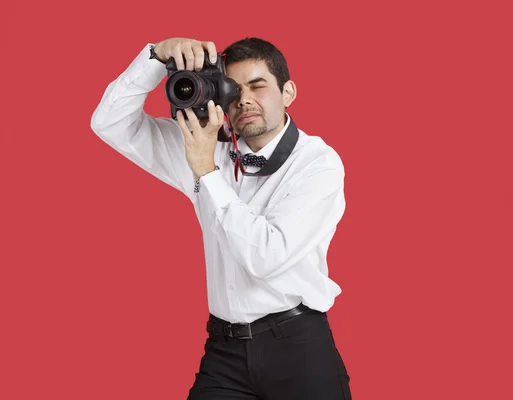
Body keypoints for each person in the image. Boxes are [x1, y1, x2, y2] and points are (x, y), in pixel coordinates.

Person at [90, 37, 352, 400]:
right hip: (224, 351)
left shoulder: (318, 164)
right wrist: (155, 57)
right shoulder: (204, 145)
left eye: (258, 86)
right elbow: (109, 123)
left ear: (288, 92)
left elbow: (265, 257)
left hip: (297, 347)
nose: (244, 99)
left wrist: (206, 171)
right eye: (233, 88)